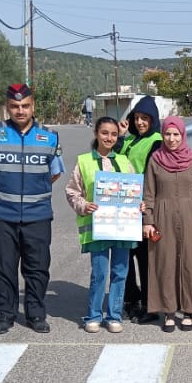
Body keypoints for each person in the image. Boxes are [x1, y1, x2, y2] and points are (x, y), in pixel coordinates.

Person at [0, 82, 63, 335]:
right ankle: (5, 314)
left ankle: (36, 314)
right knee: (3, 266)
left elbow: (54, 172)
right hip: (2, 214)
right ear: (8, 107)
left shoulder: (49, 136)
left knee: (37, 268)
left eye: (25, 106)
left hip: (37, 215)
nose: (20, 111)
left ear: (33, 106)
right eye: (15, 106)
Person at [65, 116, 137, 334]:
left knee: (120, 272)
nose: (109, 138)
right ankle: (94, 315)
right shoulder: (84, 161)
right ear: (96, 133)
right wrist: (83, 205)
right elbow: (72, 190)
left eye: (114, 134)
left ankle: (114, 315)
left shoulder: (125, 162)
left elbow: (134, 191)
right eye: (105, 133)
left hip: (123, 227)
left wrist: (139, 204)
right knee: (99, 273)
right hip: (97, 228)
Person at [142, 116, 192, 331]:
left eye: (176, 134)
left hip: (190, 215)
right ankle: (169, 312)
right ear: (162, 135)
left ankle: (189, 312)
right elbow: (149, 194)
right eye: (168, 134)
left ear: (182, 135)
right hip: (162, 217)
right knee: (165, 263)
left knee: (191, 262)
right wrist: (148, 222)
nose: (172, 139)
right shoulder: (155, 159)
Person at [117, 96, 162, 322]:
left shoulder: (156, 140)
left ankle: (150, 305)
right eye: (137, 118)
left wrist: (147, 205)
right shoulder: (129, 139)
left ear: (153, 120)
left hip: (142, 207)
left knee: (145, 259)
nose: (141, 122)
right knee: (125, 256)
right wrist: (121, 135)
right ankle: (130, 299)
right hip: (122, 207)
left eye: (145, 118)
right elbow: (111, 159)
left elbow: (152, 175)